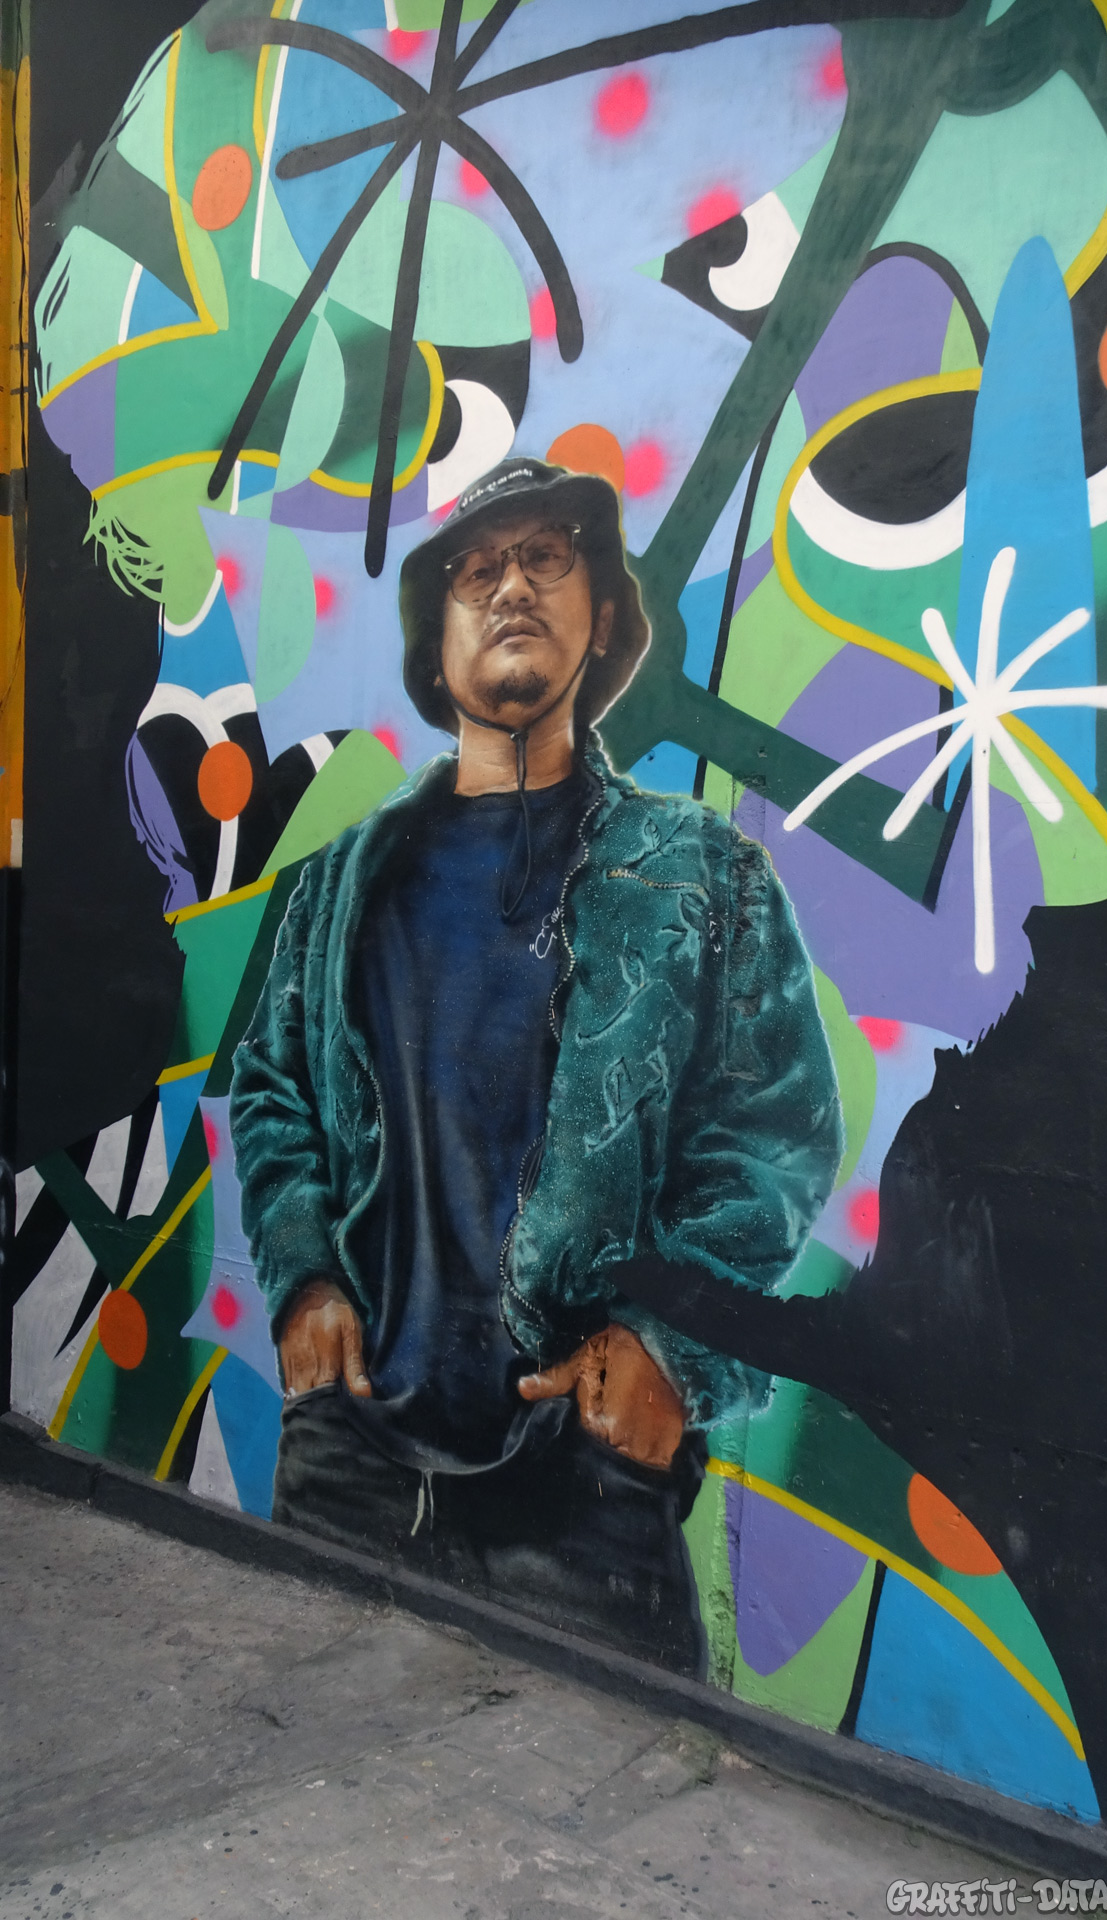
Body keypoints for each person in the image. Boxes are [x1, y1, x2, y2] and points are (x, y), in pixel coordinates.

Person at [229, 457, 842, 1674]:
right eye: (475, 571)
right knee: (308, 1760)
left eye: (546, 557)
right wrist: (303, 1281)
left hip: (587, 1492)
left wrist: (667, 1348)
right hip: (350, 1463)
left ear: (600, 616)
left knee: (619, 1786)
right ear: (436, 641)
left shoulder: (700, 876)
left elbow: (772, 1142)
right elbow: (273, 1089)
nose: (510, 585)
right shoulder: (342, 885)